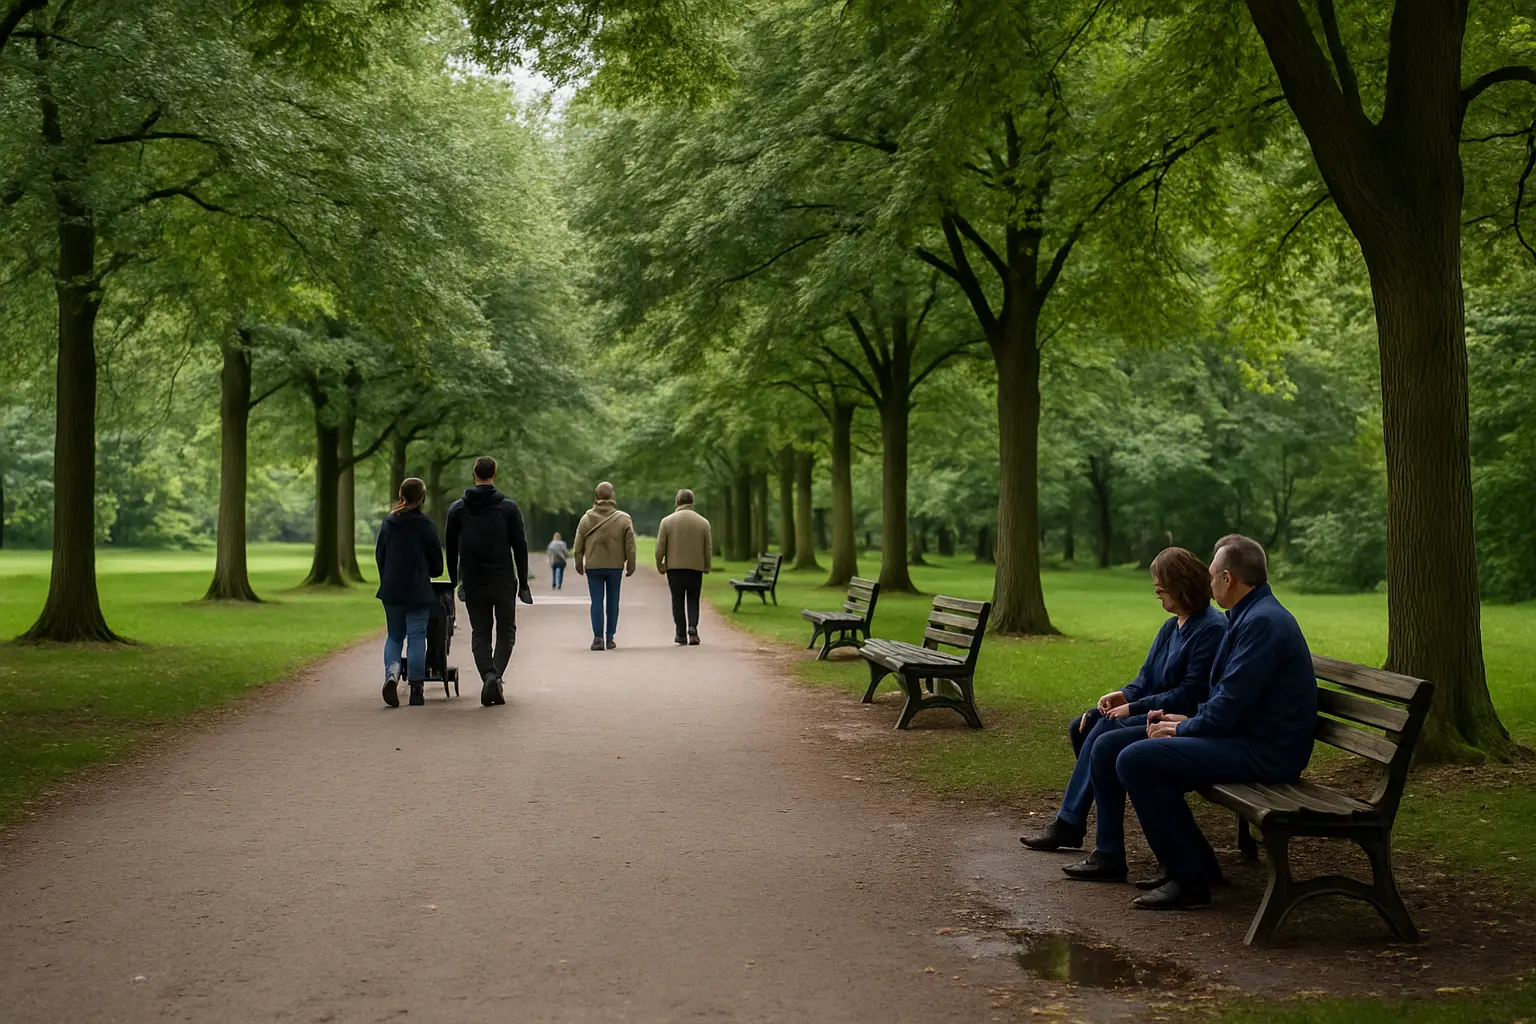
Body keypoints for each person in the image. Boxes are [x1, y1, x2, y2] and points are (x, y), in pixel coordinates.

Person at [1088, 535, 1316, 910]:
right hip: (1244, 737)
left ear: (1228, 578)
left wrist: (1181, 727)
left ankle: (1188, 880)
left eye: (1212, 577)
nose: (1208, 585)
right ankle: (1195, 864)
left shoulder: (1262, 623)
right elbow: (1228, 700)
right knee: (1115, 744)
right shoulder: (1248, 616)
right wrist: (1188, 719)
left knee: (1137, 759)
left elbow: (1229, 707)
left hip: (1267, 752)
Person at [1020, 548, 1226, 872]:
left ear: (1182, 584)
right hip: (1153, 710)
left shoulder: (1211, 628)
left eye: (1161, 589)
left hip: (1179, 718)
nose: (1157, 595)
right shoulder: (1172, 627)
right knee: (1084, 724)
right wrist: (1122, 696)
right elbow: (1146, 678)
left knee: (1104, 733)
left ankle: (1094, 840)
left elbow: (1190, 694)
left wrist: (1133, 708)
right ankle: (1087, 830)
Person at [445, 456, 532, 707]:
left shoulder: (458, 509)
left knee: (480, 632)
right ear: (494, 473)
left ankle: (488, 676)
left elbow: (450, 549)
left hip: (473, 580)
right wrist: (523, 581)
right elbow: (520, 547)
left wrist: (453, 580)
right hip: (503, 579)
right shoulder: (508, 508)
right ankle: (495, 677)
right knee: (506, 631)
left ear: (474, 474)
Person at [374, 477, 444, 708]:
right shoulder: (426, 525)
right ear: (423, 497)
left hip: (392, 589)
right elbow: (437, 566)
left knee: (394, 636)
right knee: (416, 636)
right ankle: (416, 689)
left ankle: (392, 675)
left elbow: (380, 556)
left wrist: (388, 578)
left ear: (401, 495)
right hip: (418, 591)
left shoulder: (388, 523)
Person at [571, 481, 636, 650]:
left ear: (596, 496)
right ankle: (610, 637)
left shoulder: (586, 518)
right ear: (612, 496)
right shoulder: (624, 519)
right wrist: (631, 564)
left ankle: (597, 638)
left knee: (597, 601)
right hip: (615, 566)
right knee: (613, 601)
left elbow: (578, 544)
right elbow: (630, 546)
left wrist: (579, 562)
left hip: (594, 565)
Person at [655, 488, 713, 645]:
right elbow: (707, 548)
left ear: (677, 501)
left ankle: (681, 633)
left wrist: (660, 563)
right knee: (693, 599)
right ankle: (693, 628)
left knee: (677, 600)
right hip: (695, 567)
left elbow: (660, 547)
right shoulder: (703, 522)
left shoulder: (667, 521)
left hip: (675, 568)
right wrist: (707, 566)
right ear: (692, 502)